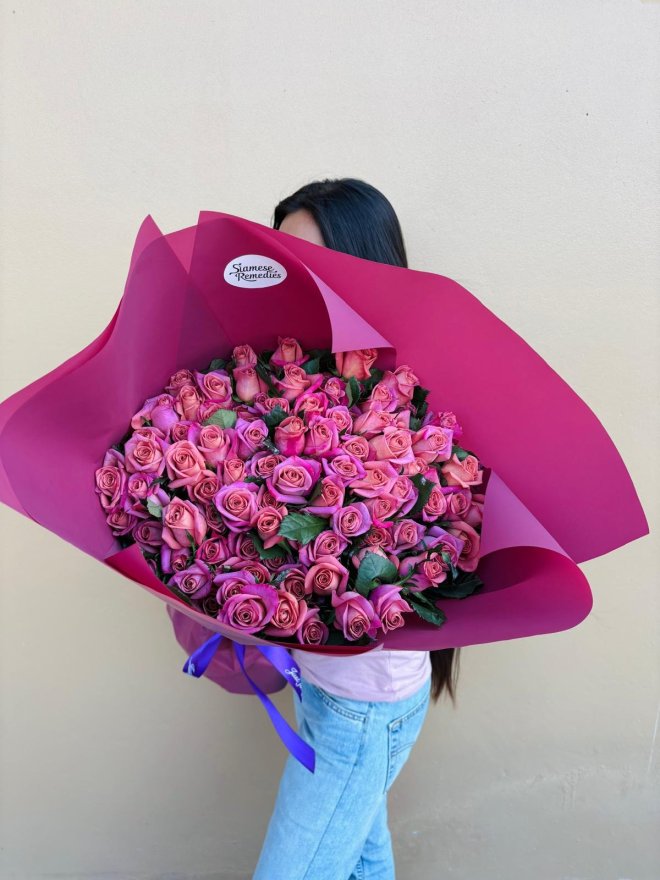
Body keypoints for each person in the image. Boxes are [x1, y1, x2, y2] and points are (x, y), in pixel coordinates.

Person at [252, 178, 461, 880]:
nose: (294, 275)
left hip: (363, 703)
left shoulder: (402, 394)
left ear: (361, 262)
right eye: (280, 255)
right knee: (363, 864)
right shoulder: (296, 370)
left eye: (312, 259)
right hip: (323, 685)